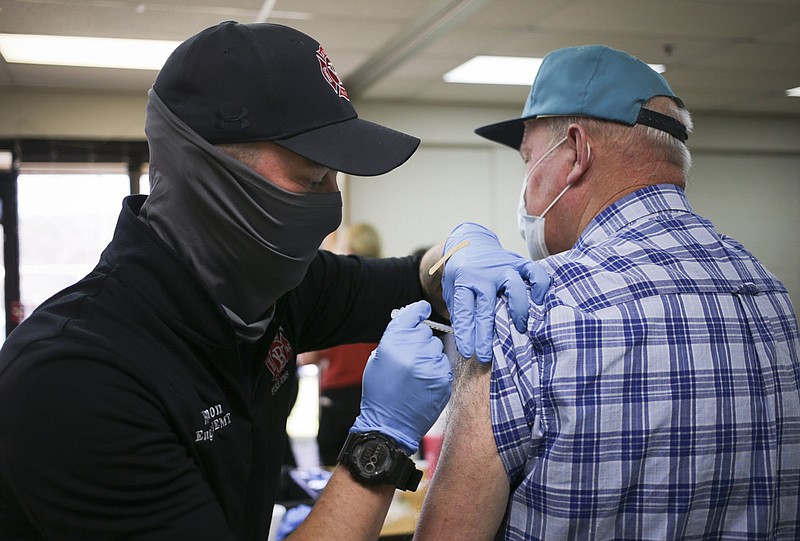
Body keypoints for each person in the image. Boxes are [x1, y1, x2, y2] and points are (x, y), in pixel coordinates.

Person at [0, 21, 551, 541]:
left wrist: (457, 250)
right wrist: (378, 443)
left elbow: (414, 278)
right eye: (311, 179)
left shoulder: (273, 288)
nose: (329, 206)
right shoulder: (76, 377)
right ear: (206, 172)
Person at [415, 45, 800, 540]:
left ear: (575, 152)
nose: (526, 187)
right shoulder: (769, 294)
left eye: (529, 161)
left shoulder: (530, 310)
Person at [298, 223, 383, 466]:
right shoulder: (385, 297)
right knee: (371, 467)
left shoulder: (336, 297)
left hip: (337, 397)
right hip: (375, 397)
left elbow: (307, 358)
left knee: (330, 471)